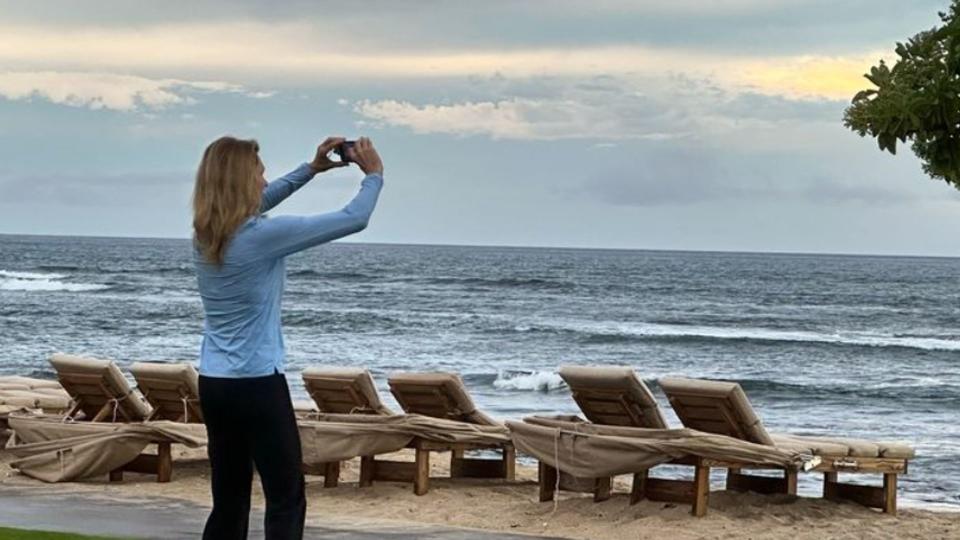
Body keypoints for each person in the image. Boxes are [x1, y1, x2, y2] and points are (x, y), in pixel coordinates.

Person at [191, 135, 384, 539]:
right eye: (259, 173)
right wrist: (374, 176)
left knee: (229, 500)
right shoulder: (261, 236)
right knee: (285, 496)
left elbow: (258, 203)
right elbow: (353, 218)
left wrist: (311, 169)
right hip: (257, 384)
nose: (264, 181)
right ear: (243, 180)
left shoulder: (207, 232)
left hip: (215, 384)